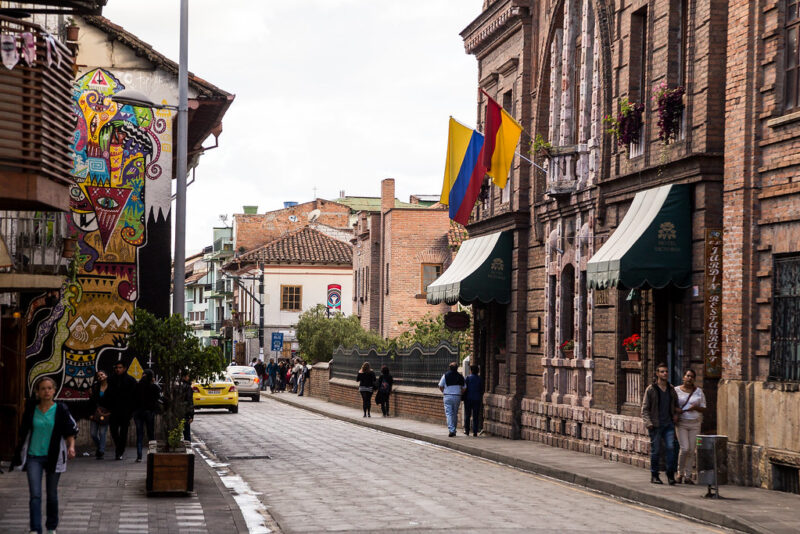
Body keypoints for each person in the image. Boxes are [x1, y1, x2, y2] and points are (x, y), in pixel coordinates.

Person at [12, 377, 78, 534]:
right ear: (37, 392)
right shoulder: (31, 409)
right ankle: (35, 529)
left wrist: (71, 447)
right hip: (34, 457)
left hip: (54, 457)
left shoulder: (61, 409)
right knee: (35, 494)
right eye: (43, 388)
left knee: (52, 494)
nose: (46, 391)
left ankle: (51, 527)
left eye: (49, 388)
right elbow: (23, 431)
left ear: (54, 391)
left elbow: (70, 431)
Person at [641, 362, 680, 485]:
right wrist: (649, 423)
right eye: (662, 371)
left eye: (666, 371)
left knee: (670, 449)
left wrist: (675, 414)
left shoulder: (671, 389)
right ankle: (654, 475)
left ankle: (670, 475)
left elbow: (676, 405)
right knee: (656, 450)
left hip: (668, 424)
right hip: (655, 425)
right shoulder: (651, 389)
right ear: (657, 373)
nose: (665, 373)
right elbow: (645, 409)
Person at [675, 369, 706, 484]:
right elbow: (671, 404)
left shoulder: (699, 392)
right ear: (683, 377)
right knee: (684, 448)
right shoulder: (676, 390)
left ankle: (688, 476)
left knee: (692, 450)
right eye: (687, 376)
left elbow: (703, 408)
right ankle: (679, 473)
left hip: (695, 423)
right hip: (682, 423)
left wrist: (695, 408)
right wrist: (676, 410)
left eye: (692, 376)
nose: (689, 378)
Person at [107, 360, 137, 461]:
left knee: (124, 432)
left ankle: (119, 451)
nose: (118, 369)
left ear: (124, 368)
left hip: (126, 411)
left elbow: (134, 397)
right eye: (116, 367)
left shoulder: (131, 380)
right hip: (114, 410)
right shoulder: (111, 379)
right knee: (113, 430)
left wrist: (131, 411)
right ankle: (119, 447)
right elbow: (108, 395)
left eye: (120, 367)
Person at [132, 369, 161, 462]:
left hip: (138, 412)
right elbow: (158, 396)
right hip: (149, 412)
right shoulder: (154, 387)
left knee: (139, 434)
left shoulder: (137, 386)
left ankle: (139, 456)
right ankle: (152, 455)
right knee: (150, 434)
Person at [438, 362, 466, 437]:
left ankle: (452, 430)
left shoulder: (445, 375)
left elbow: (440, 385)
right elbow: (464, 387)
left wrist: (444, 392)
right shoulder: (460, 376)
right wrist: (460, 393)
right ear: (457, 368)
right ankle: (454, 429)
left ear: (449, 368)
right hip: (457, 396)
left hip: (448, 396)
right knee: (455, 413)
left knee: (449, 413)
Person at [89, 369, 111, 459]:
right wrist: (90, 413)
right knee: (93, 433)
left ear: (106, 375)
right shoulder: (95, 387)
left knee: (102, 432)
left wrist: (111, 412)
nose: (100, 376)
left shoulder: (111, 387)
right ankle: (99, 447)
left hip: (106, 413)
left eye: (102, 374)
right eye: (98, 376)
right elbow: (91, 401)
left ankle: (101, 451)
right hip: (96, 412)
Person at [463, 365, 484, 437]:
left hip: (468, 399)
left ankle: (467, 430)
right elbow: (481, 389)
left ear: (471, 370)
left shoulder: (468, 378)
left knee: (467, 415)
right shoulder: (480, 379)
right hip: (477, 399)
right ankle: (475, 431)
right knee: (476, 416)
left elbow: (465, 388)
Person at [176, 372, 195, 442]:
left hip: (177, 413)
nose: (188, 378)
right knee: (187, 435)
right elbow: (190, 402)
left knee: (177, 433)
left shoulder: (176, 386)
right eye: (187, 376)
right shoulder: (187, 387)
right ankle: (189, 450)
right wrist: (191, 415)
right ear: (184, 377)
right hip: (185, 413)